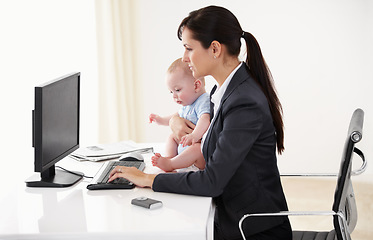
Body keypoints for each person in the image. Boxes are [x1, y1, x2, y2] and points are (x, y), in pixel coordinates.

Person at [109, 6, 292, 240]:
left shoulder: (243, 102)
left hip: (250, 230)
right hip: (232, 215)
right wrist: (175, 121)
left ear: (215, 49)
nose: (185, 58)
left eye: (189, 48)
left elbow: (212, 182)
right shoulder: (226, 89)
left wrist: (148, 179)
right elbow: (203, 130)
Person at [149, 58, 210, 172]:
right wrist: (160, 120)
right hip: (186, 149)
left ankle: (171, 164)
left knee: (197, 148)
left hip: (199, 157)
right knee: (172, 137)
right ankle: (170, 158)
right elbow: (173, 118)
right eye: (171, 92)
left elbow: (205, 119)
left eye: (177, 90)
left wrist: (195, 135)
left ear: (196, 86)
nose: (174, 96)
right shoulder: (187, 105)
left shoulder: (203, 100)